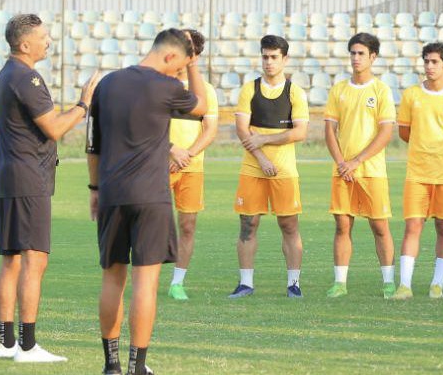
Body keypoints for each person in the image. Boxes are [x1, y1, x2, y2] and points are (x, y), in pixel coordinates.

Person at [88, 28, 209, 375]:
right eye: (179, 66)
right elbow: (201, 106)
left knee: (112, 277)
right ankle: (137, 369)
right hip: (151, 196)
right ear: (171, 57)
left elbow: (92, 145)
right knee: (146, 281)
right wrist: (194, 67)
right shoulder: (166, 86)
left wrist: (95, 189)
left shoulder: (107, 84)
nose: (178, 74)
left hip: (111, 193)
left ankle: (110, 366)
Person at [0, 13, 97, 363]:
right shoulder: (26, 77)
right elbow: (53, 128)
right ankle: (27, 345)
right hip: (28, 178)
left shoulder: (6, 73)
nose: (48, 41)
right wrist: (84, 104)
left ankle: (7, 343)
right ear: (25, 44)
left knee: (11, 260)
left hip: (10, 175)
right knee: (34, 260)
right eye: (44, 36)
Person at [395, 43, 443, 299]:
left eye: (434, 62)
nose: (429, 67)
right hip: (417, 173)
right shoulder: (411, 95)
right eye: (426, 61)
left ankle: (436, 284)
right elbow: (404, 132)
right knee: (413, 226)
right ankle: (405, 285)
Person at [233, 35, 309, 298]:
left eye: (274, 57)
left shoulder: (295, 92)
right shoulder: (249, 89)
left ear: (284, 59)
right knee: (248, 224)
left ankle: (294, 284)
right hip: (252, 169)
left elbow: (299, 133)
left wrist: (264, 138)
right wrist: (263, 159)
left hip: (285, 172)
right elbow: (242, 129)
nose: (269, 62)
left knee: (289, 225)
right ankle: (245, 284)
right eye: (265, 56)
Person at [325, 32, 396, 298]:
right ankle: (340, 283)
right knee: (342, 226)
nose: (355, 58)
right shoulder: (338, 89)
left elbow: (385, 132)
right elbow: (330, 130)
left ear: (372, 57)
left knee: (380, 227)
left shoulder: (381, 90)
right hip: (343, 171)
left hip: (372, 171)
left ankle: (388, 282)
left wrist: (357, 161)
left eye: (361, 54)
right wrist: (342, 162)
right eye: (352, 53)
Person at [165, 29, 218, 300]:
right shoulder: (162, 83)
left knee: (187, 226)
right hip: (159, 165)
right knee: (151, 225)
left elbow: (210, 129)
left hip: (191, 168)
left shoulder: (205, 90)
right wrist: (170, 152)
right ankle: (144, 275)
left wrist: (187, 155)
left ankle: (177, 282)